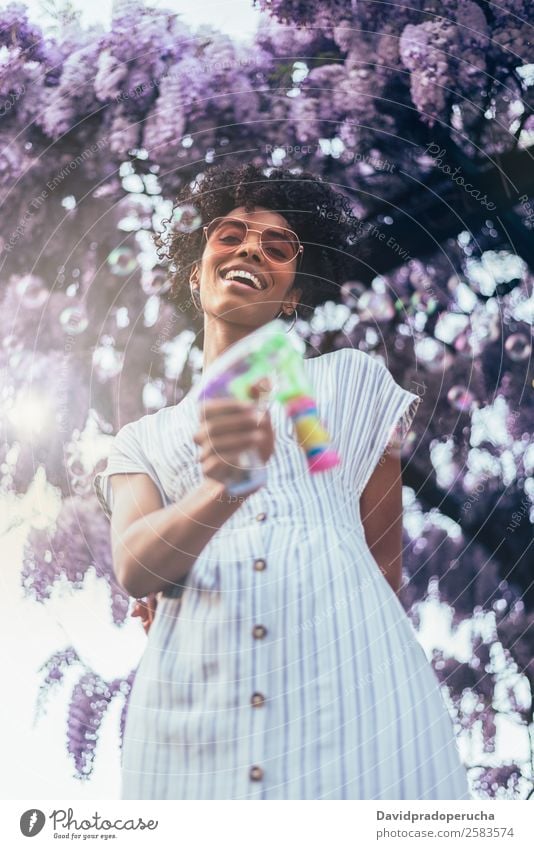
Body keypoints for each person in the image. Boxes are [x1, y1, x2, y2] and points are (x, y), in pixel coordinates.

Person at [93, 163, 470, 800]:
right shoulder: (143, 439)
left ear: (293, 294)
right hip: (195, 693)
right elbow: (135, 567)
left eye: (278, 247)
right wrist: (221, 492)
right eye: (230, 235)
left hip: (348, 677)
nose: (250, 251)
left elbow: (383, 564)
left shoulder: (350, 382)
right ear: (195, 268)